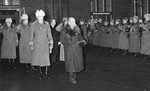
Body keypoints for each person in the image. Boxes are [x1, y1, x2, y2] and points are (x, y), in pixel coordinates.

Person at [60, 17, 86, 83]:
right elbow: (62, 40)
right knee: (71, 63)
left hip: (77, 48)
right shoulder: (64, 29)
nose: (73, 23)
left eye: (74, 21)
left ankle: (74, 73)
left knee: (77, 62)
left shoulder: (77, 29)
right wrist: (70, 43)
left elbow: (80, 37)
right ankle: (71, 76)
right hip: (69, 48)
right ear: (68, 22)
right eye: (71, 22)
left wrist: (82, 42)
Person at [29, 10, 53, 79]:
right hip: (37, 45)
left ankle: (46, 73)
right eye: (39, 16)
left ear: (43, 16)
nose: (40, 17)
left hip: (45, 44)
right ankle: (40, 73)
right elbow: (31, 36)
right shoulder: (33, 24)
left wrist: (51, 44)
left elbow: (49, 35)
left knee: (46, 60)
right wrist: (31, 45)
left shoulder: (47, 24)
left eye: (42, 16)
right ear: (37, 17)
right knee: (39, 60)